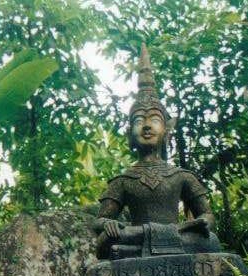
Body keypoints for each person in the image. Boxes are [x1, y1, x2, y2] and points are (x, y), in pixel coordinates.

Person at [92, 45, 219, 259]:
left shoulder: (181, 176)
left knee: (212, 242)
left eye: (154, 120)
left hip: (171, 235)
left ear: (166, 130)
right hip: (142, 234)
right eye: (139, 120)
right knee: (106, 241)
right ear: (130, 133)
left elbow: (207, 214)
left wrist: (204, 222)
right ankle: (145, 243)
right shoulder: (123, 180)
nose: (147, 126)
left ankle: (133, 250)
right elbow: (99, 221)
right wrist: (110, 223)